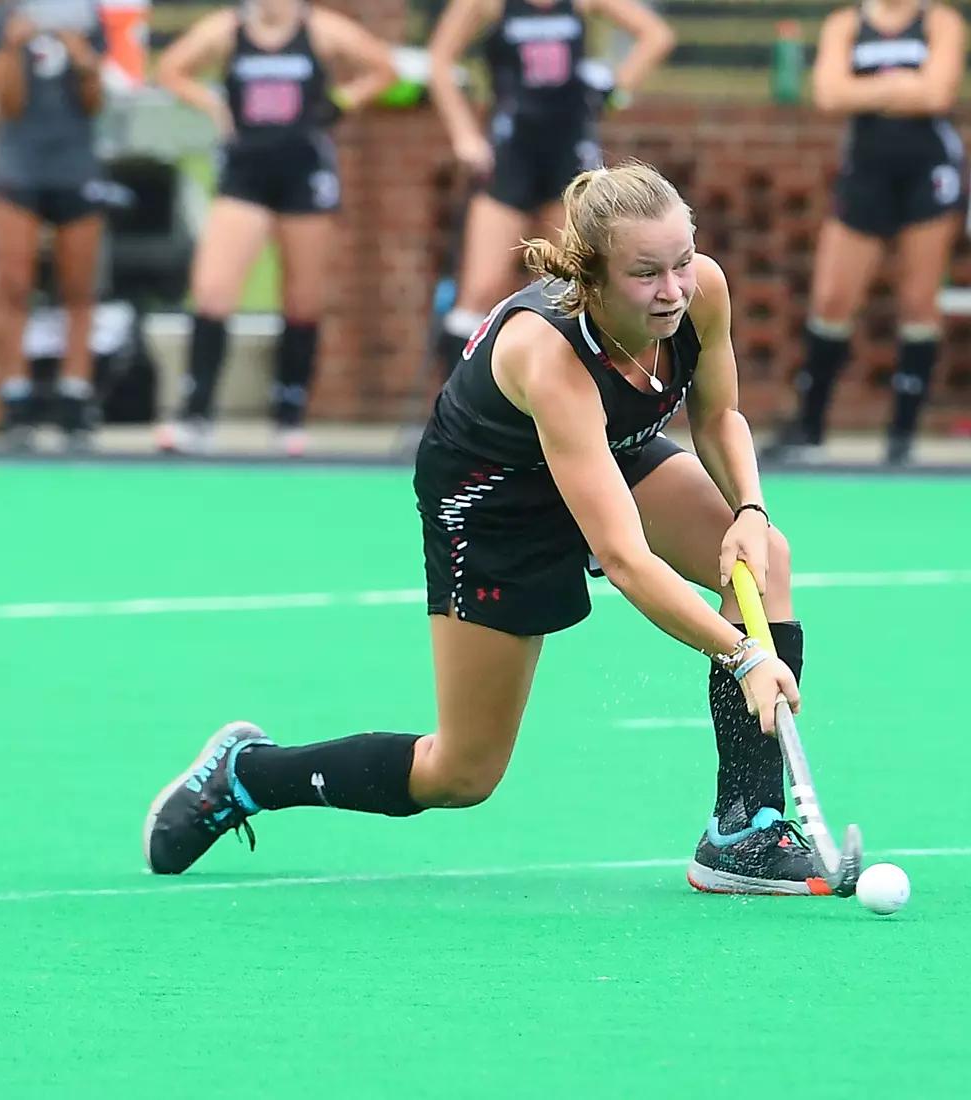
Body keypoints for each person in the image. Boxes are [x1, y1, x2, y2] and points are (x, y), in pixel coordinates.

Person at [146, 162, 835, 897]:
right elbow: (624, 559)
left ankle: (743, 831)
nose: (671, 291)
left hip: (611, 451)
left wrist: (751, 512)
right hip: (494, 498)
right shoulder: (548, 354)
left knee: (767, 561)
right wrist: (742, 655)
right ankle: (248, 775)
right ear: (592, 276)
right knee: (463, 772)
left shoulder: (702, 289)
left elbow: (720, 415)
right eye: (645, 275)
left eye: (680, 264)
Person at [154, 0, 397, 456]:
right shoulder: (227, 30)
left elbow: (383, 68)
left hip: (303, 174)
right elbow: (170, 68)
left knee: (303, 296)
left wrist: (340, 102)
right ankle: (196, 412)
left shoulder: (321, 30)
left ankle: (288, 412)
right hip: (245, 173)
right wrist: (211, 102)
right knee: (212, 289)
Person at [759, 0, 967, 467]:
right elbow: (830, 94)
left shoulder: (939, 21)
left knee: (918, 300)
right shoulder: (846, 24)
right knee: (833, 298)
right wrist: (902, 84)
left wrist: (867, 89)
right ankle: (810, 427)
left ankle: (902, 433)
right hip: (866, 172)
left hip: (928, 170)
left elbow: (938, 93)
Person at [424, 0, 674, 384]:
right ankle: (458, 406)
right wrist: (464, 135)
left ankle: (579, 400)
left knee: (572, 284)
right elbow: (440, 59)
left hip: (568, 154)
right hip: (512, 152)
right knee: (481, 287)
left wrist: (615, 90)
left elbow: (656, 36)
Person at [0, 0, 111, 452]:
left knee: (79, 289)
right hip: (19, 169)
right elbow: (7, 104)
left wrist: (85, 61)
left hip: (75, 167)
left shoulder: (86, 17)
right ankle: (16, 397)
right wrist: (13, 48)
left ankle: (75, 394)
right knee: (14, 286)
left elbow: (94, 104)